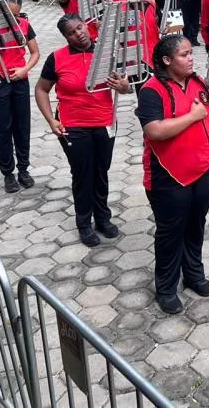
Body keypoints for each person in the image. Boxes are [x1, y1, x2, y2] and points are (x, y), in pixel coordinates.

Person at [136, 34, 209, 314]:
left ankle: (194, 274)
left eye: (190, 53)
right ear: (166, 60)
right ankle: (166, 288)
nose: (191, 58)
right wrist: (193, 117)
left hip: (205, 166)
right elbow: (155, 131)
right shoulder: (151, 90)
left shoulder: (197, 81)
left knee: (196, 224)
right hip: (169, 176)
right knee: (171, 232)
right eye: (184, 54)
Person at [35, 15, 132, 247]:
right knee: (82, 174)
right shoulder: (57, 58)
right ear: (65, 37)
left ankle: (103, 218)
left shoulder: (107, 53)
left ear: (86, 26)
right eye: (71, 32)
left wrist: (125, 87)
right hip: (73, 125)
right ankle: (84, 223)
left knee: (101, 171)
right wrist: (51, 120)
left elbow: (127, 86)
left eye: (80, 27)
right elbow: (41, 89)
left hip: (105, 122)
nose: (78, 34)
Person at [0, 0, 40, 193]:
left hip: (20, 81)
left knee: (22, 126)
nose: (13, 19)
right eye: (9, 15)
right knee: (2, 128)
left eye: (16, 15)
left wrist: (25, 69)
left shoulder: (24, 25)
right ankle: (7, 172)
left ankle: (23, 168)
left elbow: (35, 53)